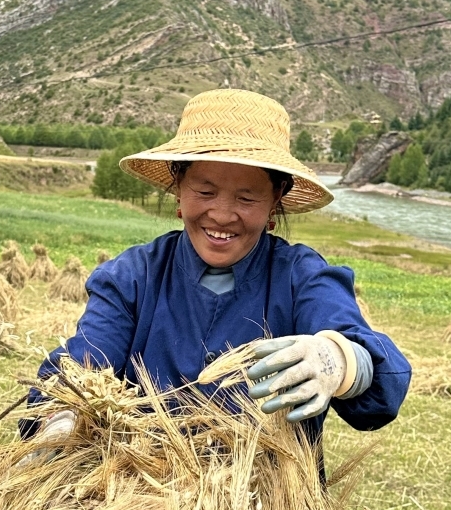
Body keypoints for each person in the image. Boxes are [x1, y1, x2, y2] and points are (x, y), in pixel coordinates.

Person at [23, 89, 411, 459]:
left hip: (265, 501)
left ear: (276, 197)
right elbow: (82, 365)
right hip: (136, 493)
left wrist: (339, 360)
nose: (222, 215)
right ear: (178, 185)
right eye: (205, 192)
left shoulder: (302, 278)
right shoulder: (131, 278)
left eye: (247, 197)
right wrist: (64, 416)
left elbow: (384, 387)